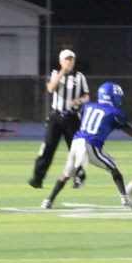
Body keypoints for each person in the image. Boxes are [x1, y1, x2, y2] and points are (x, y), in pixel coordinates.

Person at [40, 82, 132, 210]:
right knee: (114, 169)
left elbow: (78, 115)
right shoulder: (114, 113)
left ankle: (48, 200)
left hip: (76, 142)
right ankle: (125, 199)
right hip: (90, 144)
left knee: (66, 174)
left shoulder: (88, 107)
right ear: (112, 97)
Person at [29, 49, 90, 189]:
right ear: (61, 61)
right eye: (66, 59)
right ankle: (37, 178)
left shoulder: (80, 76)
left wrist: (78, 101)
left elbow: (86, 96)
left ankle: (79, 178)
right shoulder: (55, 74)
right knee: (47, 147)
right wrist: (62, 72)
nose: (69, 62)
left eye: (71, 59)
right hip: (56, 117)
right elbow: (50, 89)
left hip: (72, 118)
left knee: (77, 149)